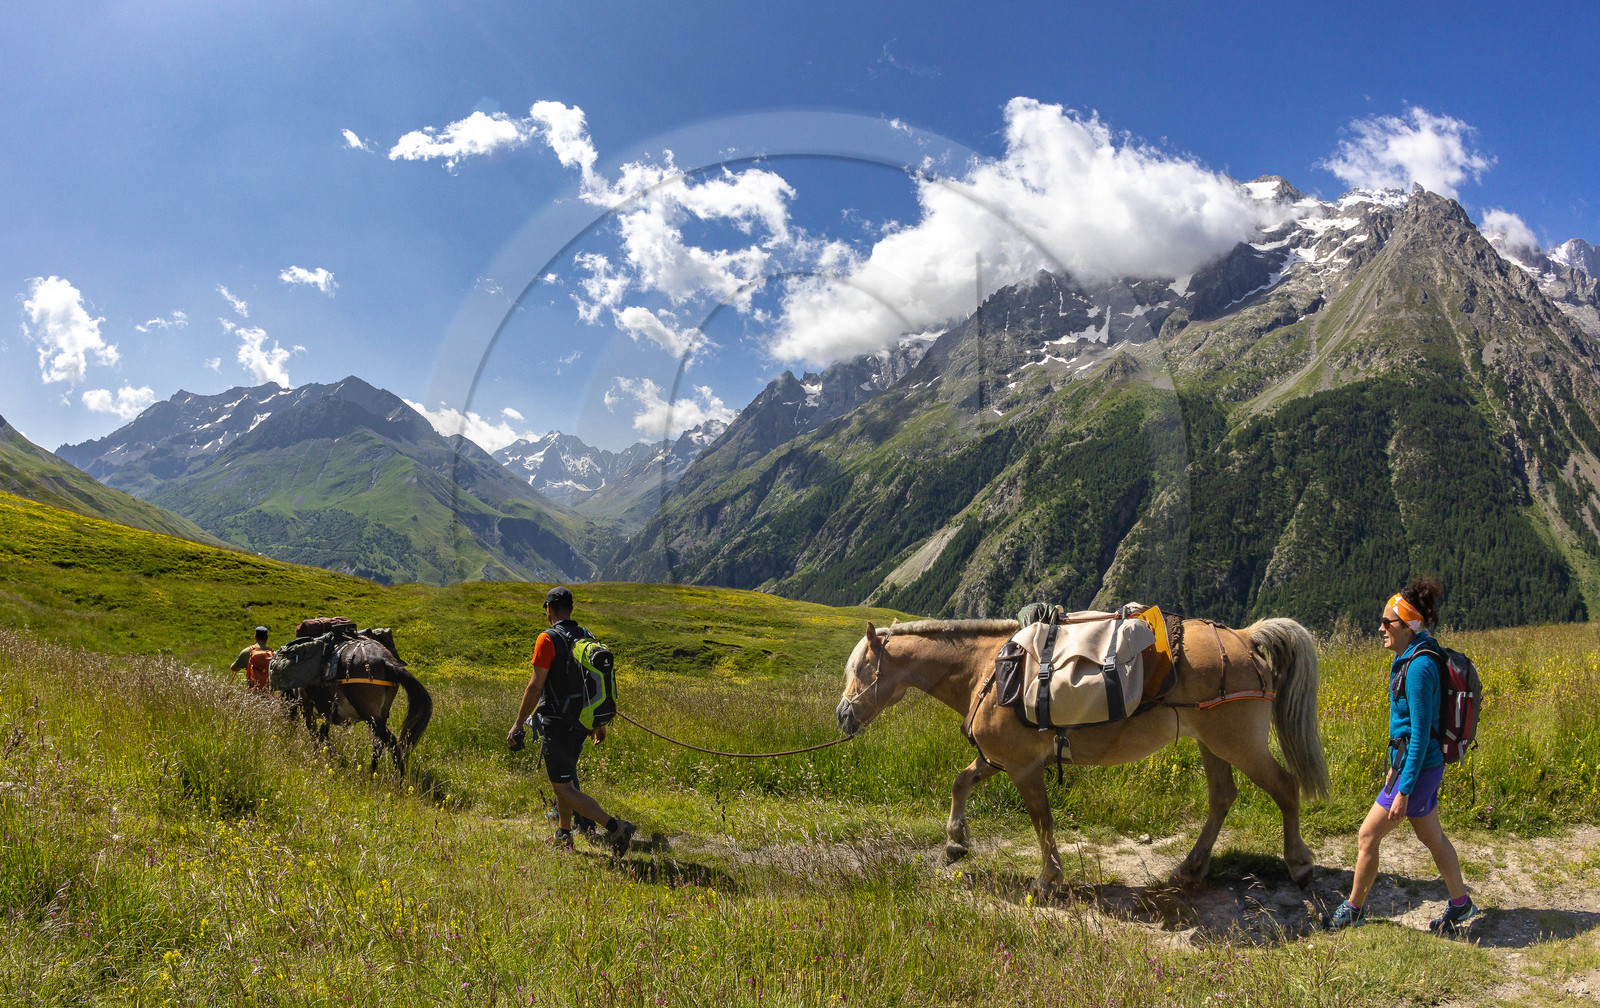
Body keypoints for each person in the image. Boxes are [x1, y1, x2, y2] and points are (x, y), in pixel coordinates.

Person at [1324, 576, 1478, 934]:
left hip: (1418, 770)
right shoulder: (1415, 655)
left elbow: (1421, 733)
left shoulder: (1420, 668)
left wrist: (1404, 789)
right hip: (1417, 768)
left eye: (1387, 622)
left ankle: (1354, 908)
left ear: (1408, 627)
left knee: (1367, 836)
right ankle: (1462, 903)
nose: (1380, 628)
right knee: (1432, 837)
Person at [507, 586, 636, 856]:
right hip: (581, 722)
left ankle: (616, 827)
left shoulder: (547, 638)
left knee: (563, 786)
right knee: (562, 782)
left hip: (557, 721)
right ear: (572, 610)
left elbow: (535, 686)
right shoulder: (587, 636)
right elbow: (595, 683)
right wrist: (597, 723)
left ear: (548, 609)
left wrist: (518, 724)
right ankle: (564, 834)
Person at [230, 626, 273, 694]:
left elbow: (234, 668)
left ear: (255, 637)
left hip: (252, 693)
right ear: (266, 638)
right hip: (268, 693)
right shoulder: (272, 654)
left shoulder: (246, 652)